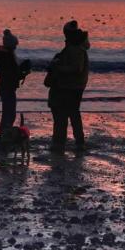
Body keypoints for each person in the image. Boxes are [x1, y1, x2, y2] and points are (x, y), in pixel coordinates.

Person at [46, 20, 90, 152]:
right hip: (72, 86)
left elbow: (76, 68)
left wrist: (58, 67)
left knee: (63, 116)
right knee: (70, 115)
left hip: (69, 87)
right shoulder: (76, 46)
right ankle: (72, 143)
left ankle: (61, 144)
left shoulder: (75, 48)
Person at [0, 29, 30, 143]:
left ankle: (4, 136)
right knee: (9, 114)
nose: (15, 48)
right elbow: (12, 74)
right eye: (14, 46)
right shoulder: (7, 57)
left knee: (8, 113)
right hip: (7, 87)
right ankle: (5, 137)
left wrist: (21, 73)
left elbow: (11, 73)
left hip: (5, 86)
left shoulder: (3, 54)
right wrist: (23, 73)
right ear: (11, 45)